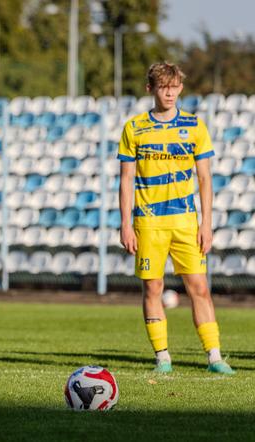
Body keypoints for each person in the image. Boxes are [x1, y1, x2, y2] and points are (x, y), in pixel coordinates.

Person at [118, 62, 235, 375]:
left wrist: (207, 224)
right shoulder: (135, 128)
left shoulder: (195, 126)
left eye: (174, 87)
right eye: (163, 87)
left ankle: (214, 357)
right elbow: (126, 179)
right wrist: (126, 223)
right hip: (148, 223)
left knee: (199, 287)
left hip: (185, 222)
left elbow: (206, 179)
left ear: (181, 88)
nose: (169, 93)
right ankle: (163, 357)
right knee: (153, 288)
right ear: (151, 89)